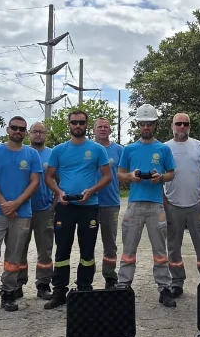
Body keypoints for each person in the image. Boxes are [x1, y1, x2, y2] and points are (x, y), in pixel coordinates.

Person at [43, 110, 112, 309]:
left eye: (81, 122)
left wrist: (91, 191)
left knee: (87, 250)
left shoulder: (98, 149)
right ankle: (59, 291)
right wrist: (59, 192)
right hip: (65, 207)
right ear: (69, 124)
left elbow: (107, 176)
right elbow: (49, 177)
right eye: (74, 122)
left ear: (87, 125)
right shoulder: (59, 150)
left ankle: (84, 288)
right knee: (62, 250)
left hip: (89, 207)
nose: (78, 126)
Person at [0, 116, 42, 318]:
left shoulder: (31, 154)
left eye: (22, 128)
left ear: (25, 131)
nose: (18, 131)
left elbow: (34, 182)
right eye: (14, 128)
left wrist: (16, 203)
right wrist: (5, 204)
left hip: (22, 212)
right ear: (7, 129)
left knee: (14, 256)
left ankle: (9, 292)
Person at [117, 103, 178, 308]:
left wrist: (160, 177)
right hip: (134, 204)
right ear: (138, 125)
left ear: (155, 125)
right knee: (128, 249)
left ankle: (164, 288)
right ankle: (124, 285)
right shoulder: (130, 149)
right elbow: (120, 173)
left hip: (156, 205)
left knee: (160, 251)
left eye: (149, 124)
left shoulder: (163, 149)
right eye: (142, 124)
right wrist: (130, 177)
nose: (146, 127)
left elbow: (171, 173)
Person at [163, 112, 200, 294]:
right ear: (172, 125)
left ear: (189, 126)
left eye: (185, 124)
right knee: (173, 246)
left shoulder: (199, 146)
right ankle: (177, 282)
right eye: (179, 123)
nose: (182, 127)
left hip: (195, 205)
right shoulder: (165, 148)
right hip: (172, 205)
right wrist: (164, 200)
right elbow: (157, 175)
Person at [17, 121, 55, 300]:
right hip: (22, 210)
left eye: (41, 132)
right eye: (35, 132)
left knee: (45, 249)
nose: (38, 135)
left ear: (46, 135)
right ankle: (17, 283)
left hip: (44, 209)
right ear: (29, 134)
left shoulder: (52, 154)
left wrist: (54, 203)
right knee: (19, 249)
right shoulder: (21, 152)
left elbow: (59, 180)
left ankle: (43, 284)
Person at [94, 117, 125, 288]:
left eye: (106, 126)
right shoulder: (88, 149)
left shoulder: (119, 150)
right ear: (94, 130)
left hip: (111, 202)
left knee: (110, 243)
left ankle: (110, 276)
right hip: (89, 203)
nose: (103, 129)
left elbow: (125, 174)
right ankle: (86, 277)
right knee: (87, 243)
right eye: (100, 127)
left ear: (111, 130)